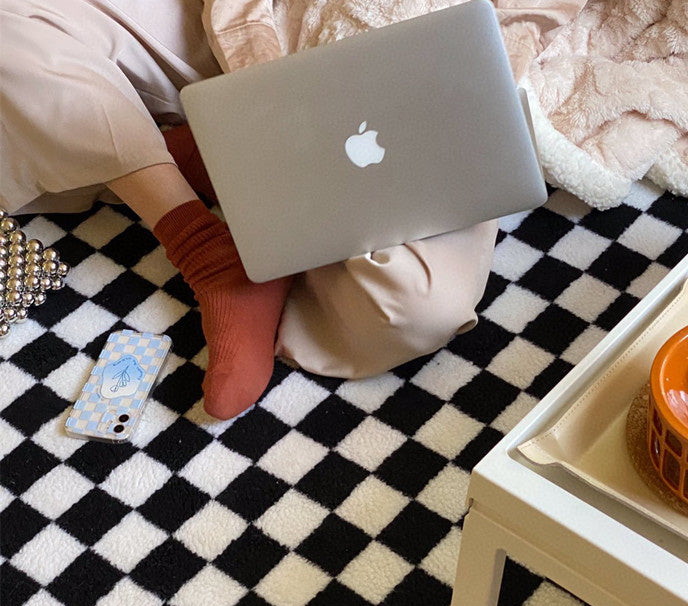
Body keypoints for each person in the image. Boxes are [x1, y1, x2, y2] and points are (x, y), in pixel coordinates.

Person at [0, 0, 518, 419]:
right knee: (10, 38)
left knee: (418, 309)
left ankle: (199, 161)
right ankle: (203, 245)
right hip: (207, 23)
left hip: (407, 73)